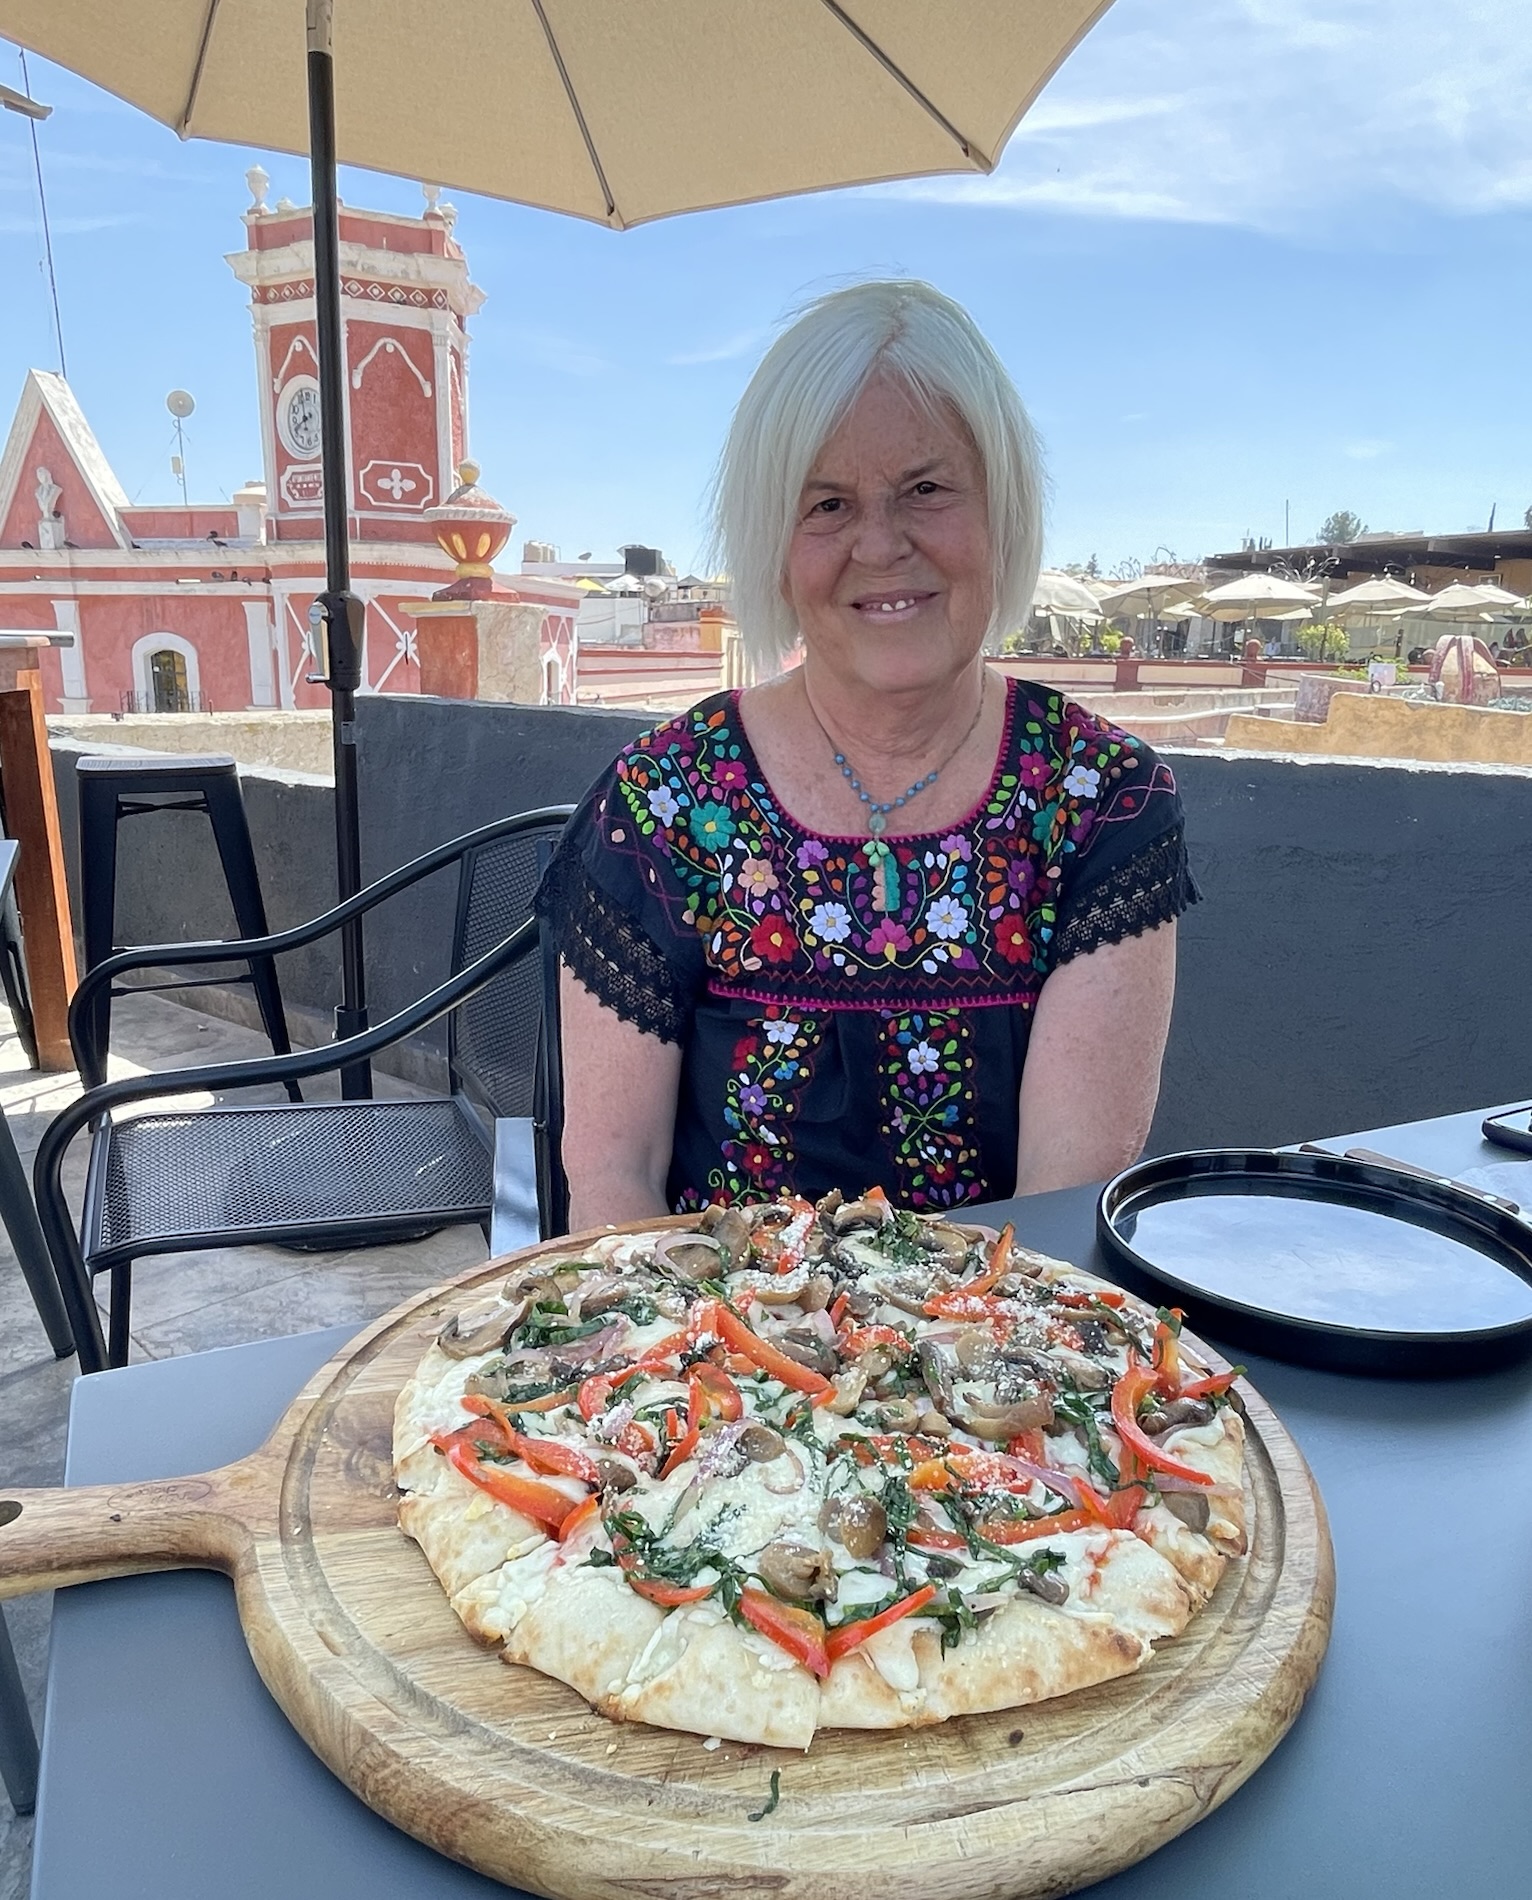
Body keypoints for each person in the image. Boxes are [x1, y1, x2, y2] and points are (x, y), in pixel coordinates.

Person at [537, 281, 1198, 1228]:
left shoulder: (1099, 800)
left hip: (1000, 1315)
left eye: (925, 489)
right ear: (774, 545)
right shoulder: (664, 799)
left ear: (1002, 509)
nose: (880, 544)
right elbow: (613, 1180)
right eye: (828, 503)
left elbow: (1057, 1216)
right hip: (711, 1316)